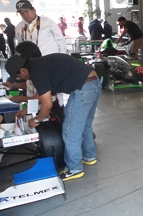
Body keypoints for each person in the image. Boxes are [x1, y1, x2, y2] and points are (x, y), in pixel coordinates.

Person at [6, 53, 101, 181]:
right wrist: (25, 111)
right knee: (85, 126)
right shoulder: (39, 64)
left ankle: (74, 168)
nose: (21, 79)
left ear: (23, 70)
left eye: (18, 76)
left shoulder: (37, 72)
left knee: (70, 131)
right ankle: (89, 156)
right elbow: (40, 96)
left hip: (82, 89)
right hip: (94, 82)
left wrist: (37, 120)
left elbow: (47, 105)